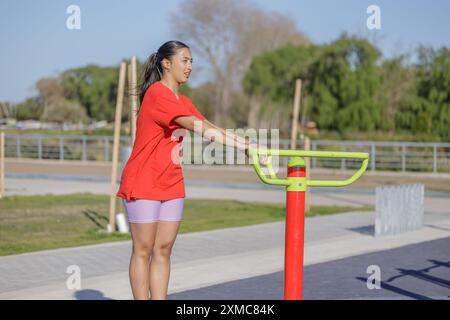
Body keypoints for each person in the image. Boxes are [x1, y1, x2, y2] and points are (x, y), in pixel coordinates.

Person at [116, 40, 265, 300]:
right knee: (144, 249)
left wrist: (247, 146)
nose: (190, 66)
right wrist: (247, 146)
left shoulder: (182, 99)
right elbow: (198, 127)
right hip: (143, 181)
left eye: (192, 61)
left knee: (163, 249)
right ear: (166, 63)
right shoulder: (157, 95)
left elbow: (209, 126)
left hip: (172, 183)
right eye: (184, 60)